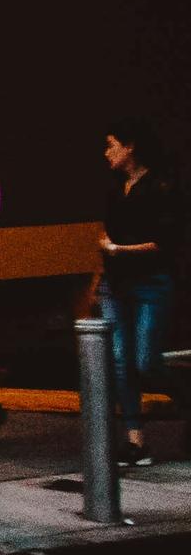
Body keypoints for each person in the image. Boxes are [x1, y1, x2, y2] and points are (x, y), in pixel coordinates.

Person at [96, 119, 176, 469]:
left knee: (146, 361)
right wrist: (99, 276)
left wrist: (118, 250)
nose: (106, 152)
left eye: (112, 144)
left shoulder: (161, 187)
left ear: (130, 147)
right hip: (115, 284)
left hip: (150, 281)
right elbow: (106, 232)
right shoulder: (115, 188)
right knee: (119, 361)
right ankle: (135, 440)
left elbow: (164, 244)